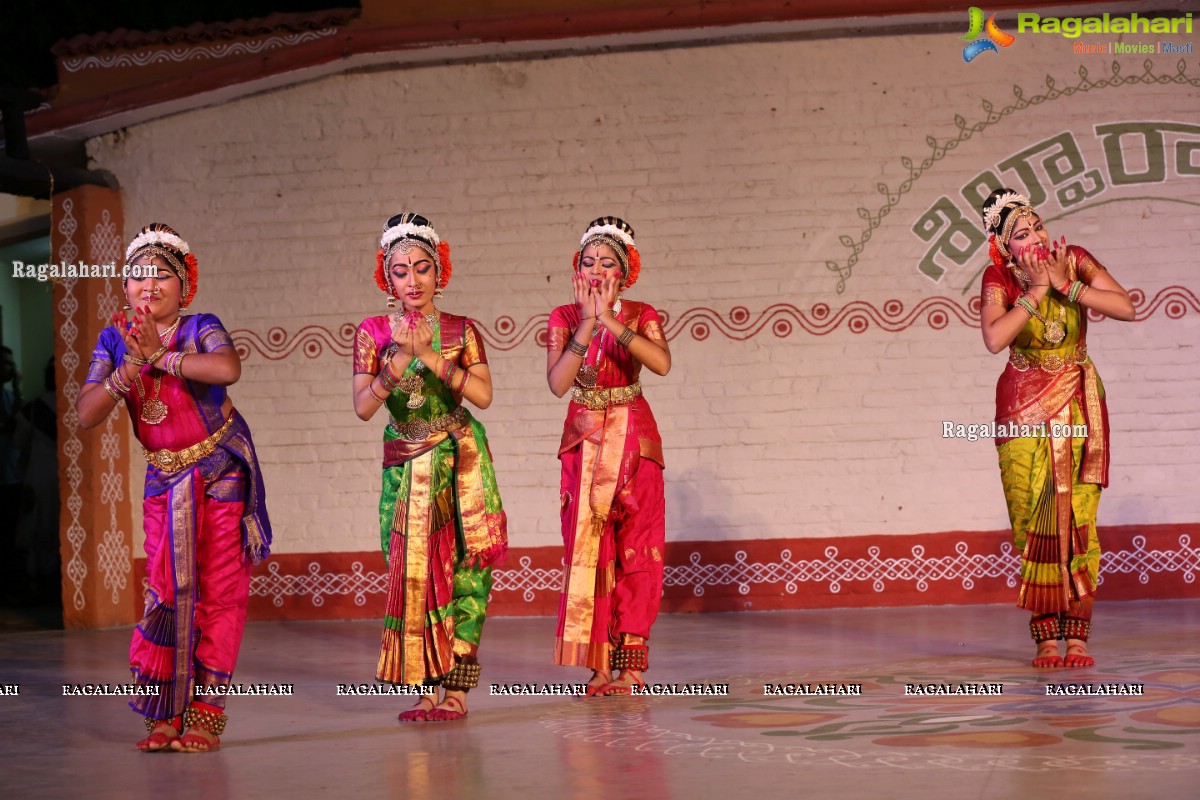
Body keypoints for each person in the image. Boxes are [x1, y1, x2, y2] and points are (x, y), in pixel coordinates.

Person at [76, 223, 271, 751]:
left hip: (219, 474)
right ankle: (165, 712)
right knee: (166, 590)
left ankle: (206, 712)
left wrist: (159, 358)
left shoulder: (200, 325)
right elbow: (86, 413)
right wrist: (127, 370)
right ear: (125, 288)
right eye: (137, 277)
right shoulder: (115, 339)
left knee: (221, 592)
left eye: (161, 275)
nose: (149, 286)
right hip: (164, 478)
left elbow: (227, 368)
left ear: (184, 286)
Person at [352, 213, 507, 721]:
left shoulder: (462, 330)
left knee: (465, 571)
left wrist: (431, 355)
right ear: (386, 277)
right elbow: (363, 406)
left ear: (440, 272)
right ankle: (422, 687)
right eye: (401, 271)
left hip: (458, 458)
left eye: (422, 268)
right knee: (412, 572)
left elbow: (482, 395)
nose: (412, 281)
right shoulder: (373, 332)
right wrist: (399, 358)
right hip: (404, 465)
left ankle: (457, 689)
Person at [978, 190, 1134, 668]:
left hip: (1080, 406)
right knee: (1032, 521)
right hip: (1024, 412)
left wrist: (1071, 288)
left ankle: (1078, 635)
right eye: (1021, 234)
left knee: (1079, 520)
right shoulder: (998, 277)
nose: (1036, 237)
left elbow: (1125, 307)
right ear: (1004, 248)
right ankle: (1047, 635)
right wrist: (1038, 292)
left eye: (1038, 226)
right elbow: (993, 338)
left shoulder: (1074, 260)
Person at [546, 216, 671, 695]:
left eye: (607, 262)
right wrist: (586, 322)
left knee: (639, 548)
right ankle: (598, 665)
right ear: (576, 270)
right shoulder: (563, 317)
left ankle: (631, 665)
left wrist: (611, 320)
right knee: (588, 550)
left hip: (635, 441)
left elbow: (660, 363)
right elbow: (559, 384)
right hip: (584, 443)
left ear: (626, 272)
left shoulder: (640, 313)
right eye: (588, 262)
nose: (597, 270)